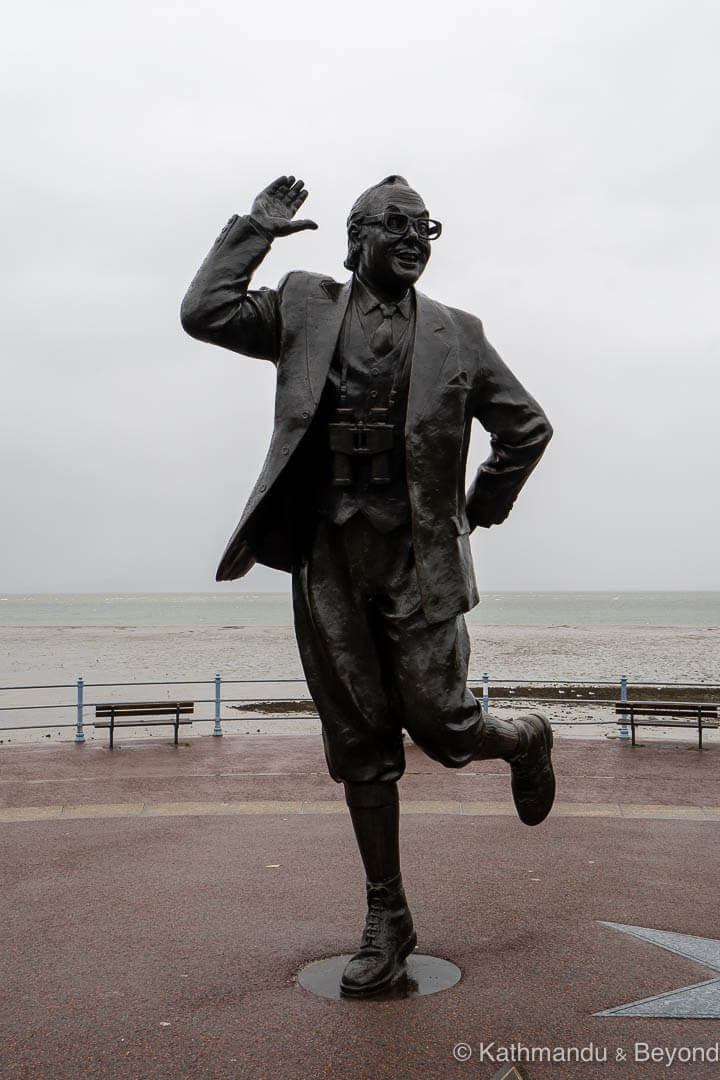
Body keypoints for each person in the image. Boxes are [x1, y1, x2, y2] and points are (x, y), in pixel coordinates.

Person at [181, 174, 555, 996]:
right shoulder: (304, 307)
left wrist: (475, 510)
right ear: (356, 238)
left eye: (427, 226)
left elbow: (525, 427)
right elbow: (203, 313)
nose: (416, 236)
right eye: (398, 223)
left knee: (446, 729)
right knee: (358, 741)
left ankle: (523, 737)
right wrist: (254, 232)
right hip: (329, 554)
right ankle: (388, 914)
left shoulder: (459, 333)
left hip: (419, 557)